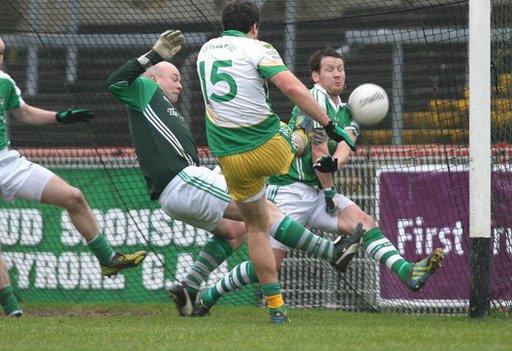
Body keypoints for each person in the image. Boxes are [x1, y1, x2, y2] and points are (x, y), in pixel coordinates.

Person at [106, 31, 363, 321]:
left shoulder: (165, 108)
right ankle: (332, 252)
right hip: (182, 181)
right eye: (173, 77)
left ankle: (189, 286)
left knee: (237, 230)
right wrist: (154, 55)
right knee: (264, 212)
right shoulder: (143, 90)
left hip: (180, 189)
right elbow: (114, 81)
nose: (179, 83)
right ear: (153, 79)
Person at [193, 48, 446, 315]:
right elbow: (317, 149)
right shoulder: (314, 99)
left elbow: (346, 145)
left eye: (340, 68)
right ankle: (208, 296)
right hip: (289, 189)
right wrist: (329, 187)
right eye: (330, 69)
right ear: (315, 76)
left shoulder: (349, 110)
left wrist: (335, 165)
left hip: (318, 191)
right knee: (269, 265)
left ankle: (408, 272)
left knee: (365, 224)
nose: (337, 73)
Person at [0, 30, 146, 317]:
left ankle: (108, 259)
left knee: (74, 196)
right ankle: (13, 310)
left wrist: (60, 117)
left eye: (1, 54)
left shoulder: (5, 82)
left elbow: (23, 113)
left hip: (8, 162)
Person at [196, 0, 356, 323]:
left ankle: (276, 306)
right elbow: (290, 86)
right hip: (268, 147)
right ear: (254, 27)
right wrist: (327, 123)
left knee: (256, 228)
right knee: (300, 133)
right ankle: (299, 135)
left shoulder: (205, 51)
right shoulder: (258, 48)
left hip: (228, 157)